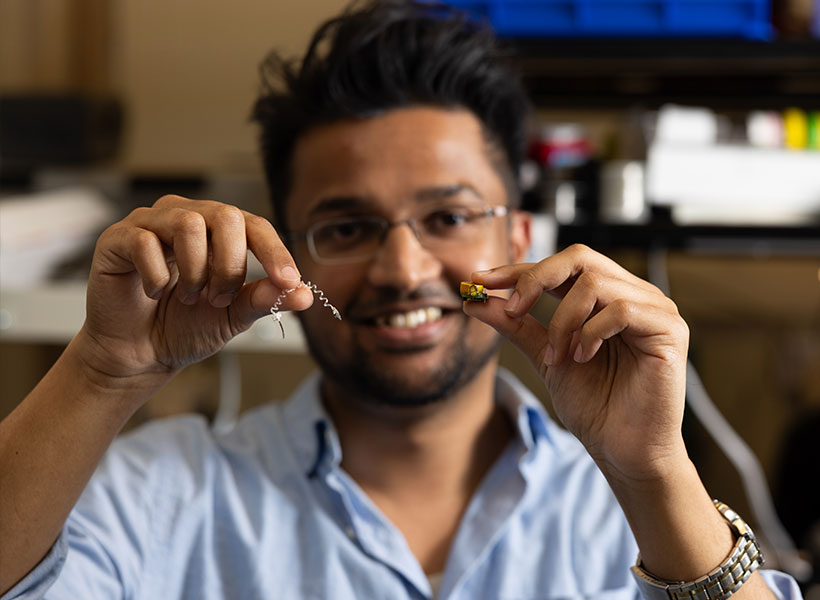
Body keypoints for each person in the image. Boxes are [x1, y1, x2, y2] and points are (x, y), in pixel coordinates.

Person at [0, 1, 804, 599]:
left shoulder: (628, 511)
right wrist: (102, 371)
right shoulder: (162, 494)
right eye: (346, 227)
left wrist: (656, 471)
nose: (401, 266)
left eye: (450, 217)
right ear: (286, 252)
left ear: (521, 236)